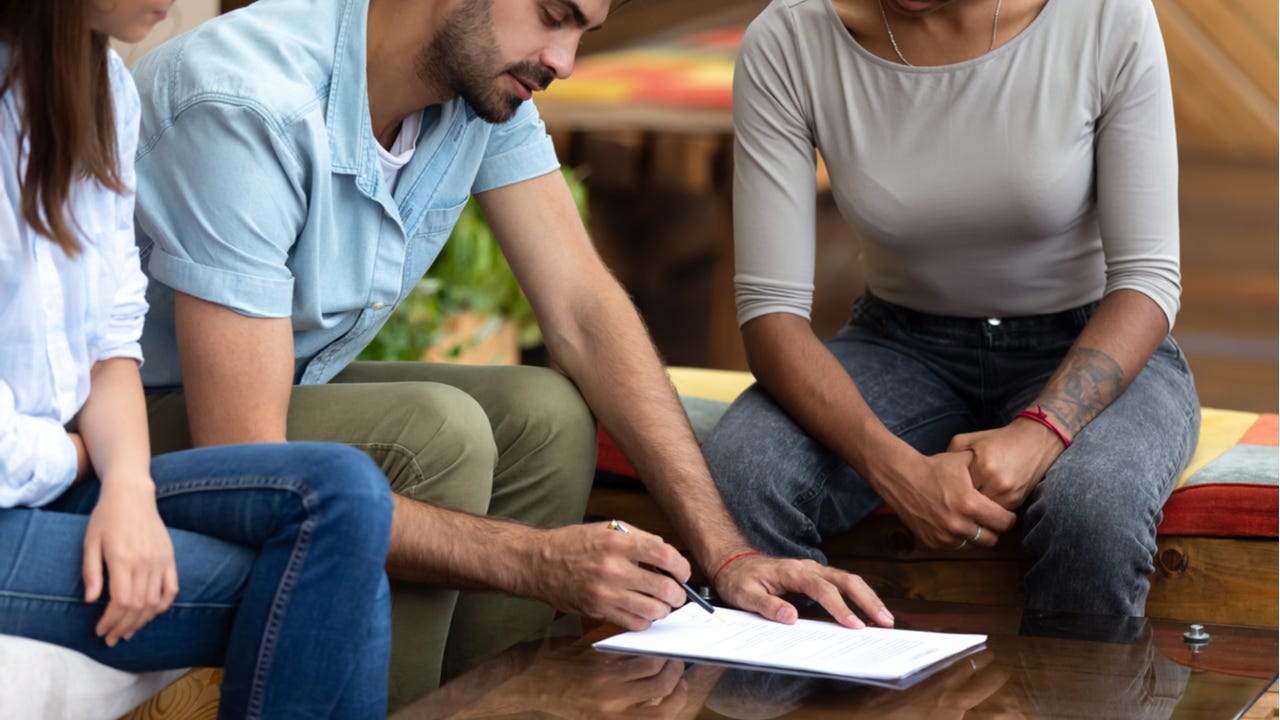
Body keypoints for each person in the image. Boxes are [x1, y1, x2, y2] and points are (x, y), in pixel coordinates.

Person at [127, 0, 896, 709]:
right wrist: (532, 561)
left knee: (545, 414)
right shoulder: (246, 100)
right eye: (553, 15)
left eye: (582, 33)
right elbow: (241, 447)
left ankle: (496, 703)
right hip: (125, 438)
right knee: (433, 431)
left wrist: (727, 554)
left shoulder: (477, 90)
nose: (563, 60)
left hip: (269, 396)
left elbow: (584, 311)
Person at [703, 0, 1199, 618]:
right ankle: (817, 697)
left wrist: (1043, 432)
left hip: (1090, 338)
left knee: (1093, 507)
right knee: (741, 477)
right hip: (899, 342)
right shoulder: (791, 37)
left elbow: (1146, 279)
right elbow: (770, 310)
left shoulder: (1105, 15)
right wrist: (895, 470)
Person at [0, 2, 394, 717]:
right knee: (346, 580)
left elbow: (111, 339)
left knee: (345, 493)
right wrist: (85, 463)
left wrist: (128, 491)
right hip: (19, 492)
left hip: (56, 480)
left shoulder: (99, 89)